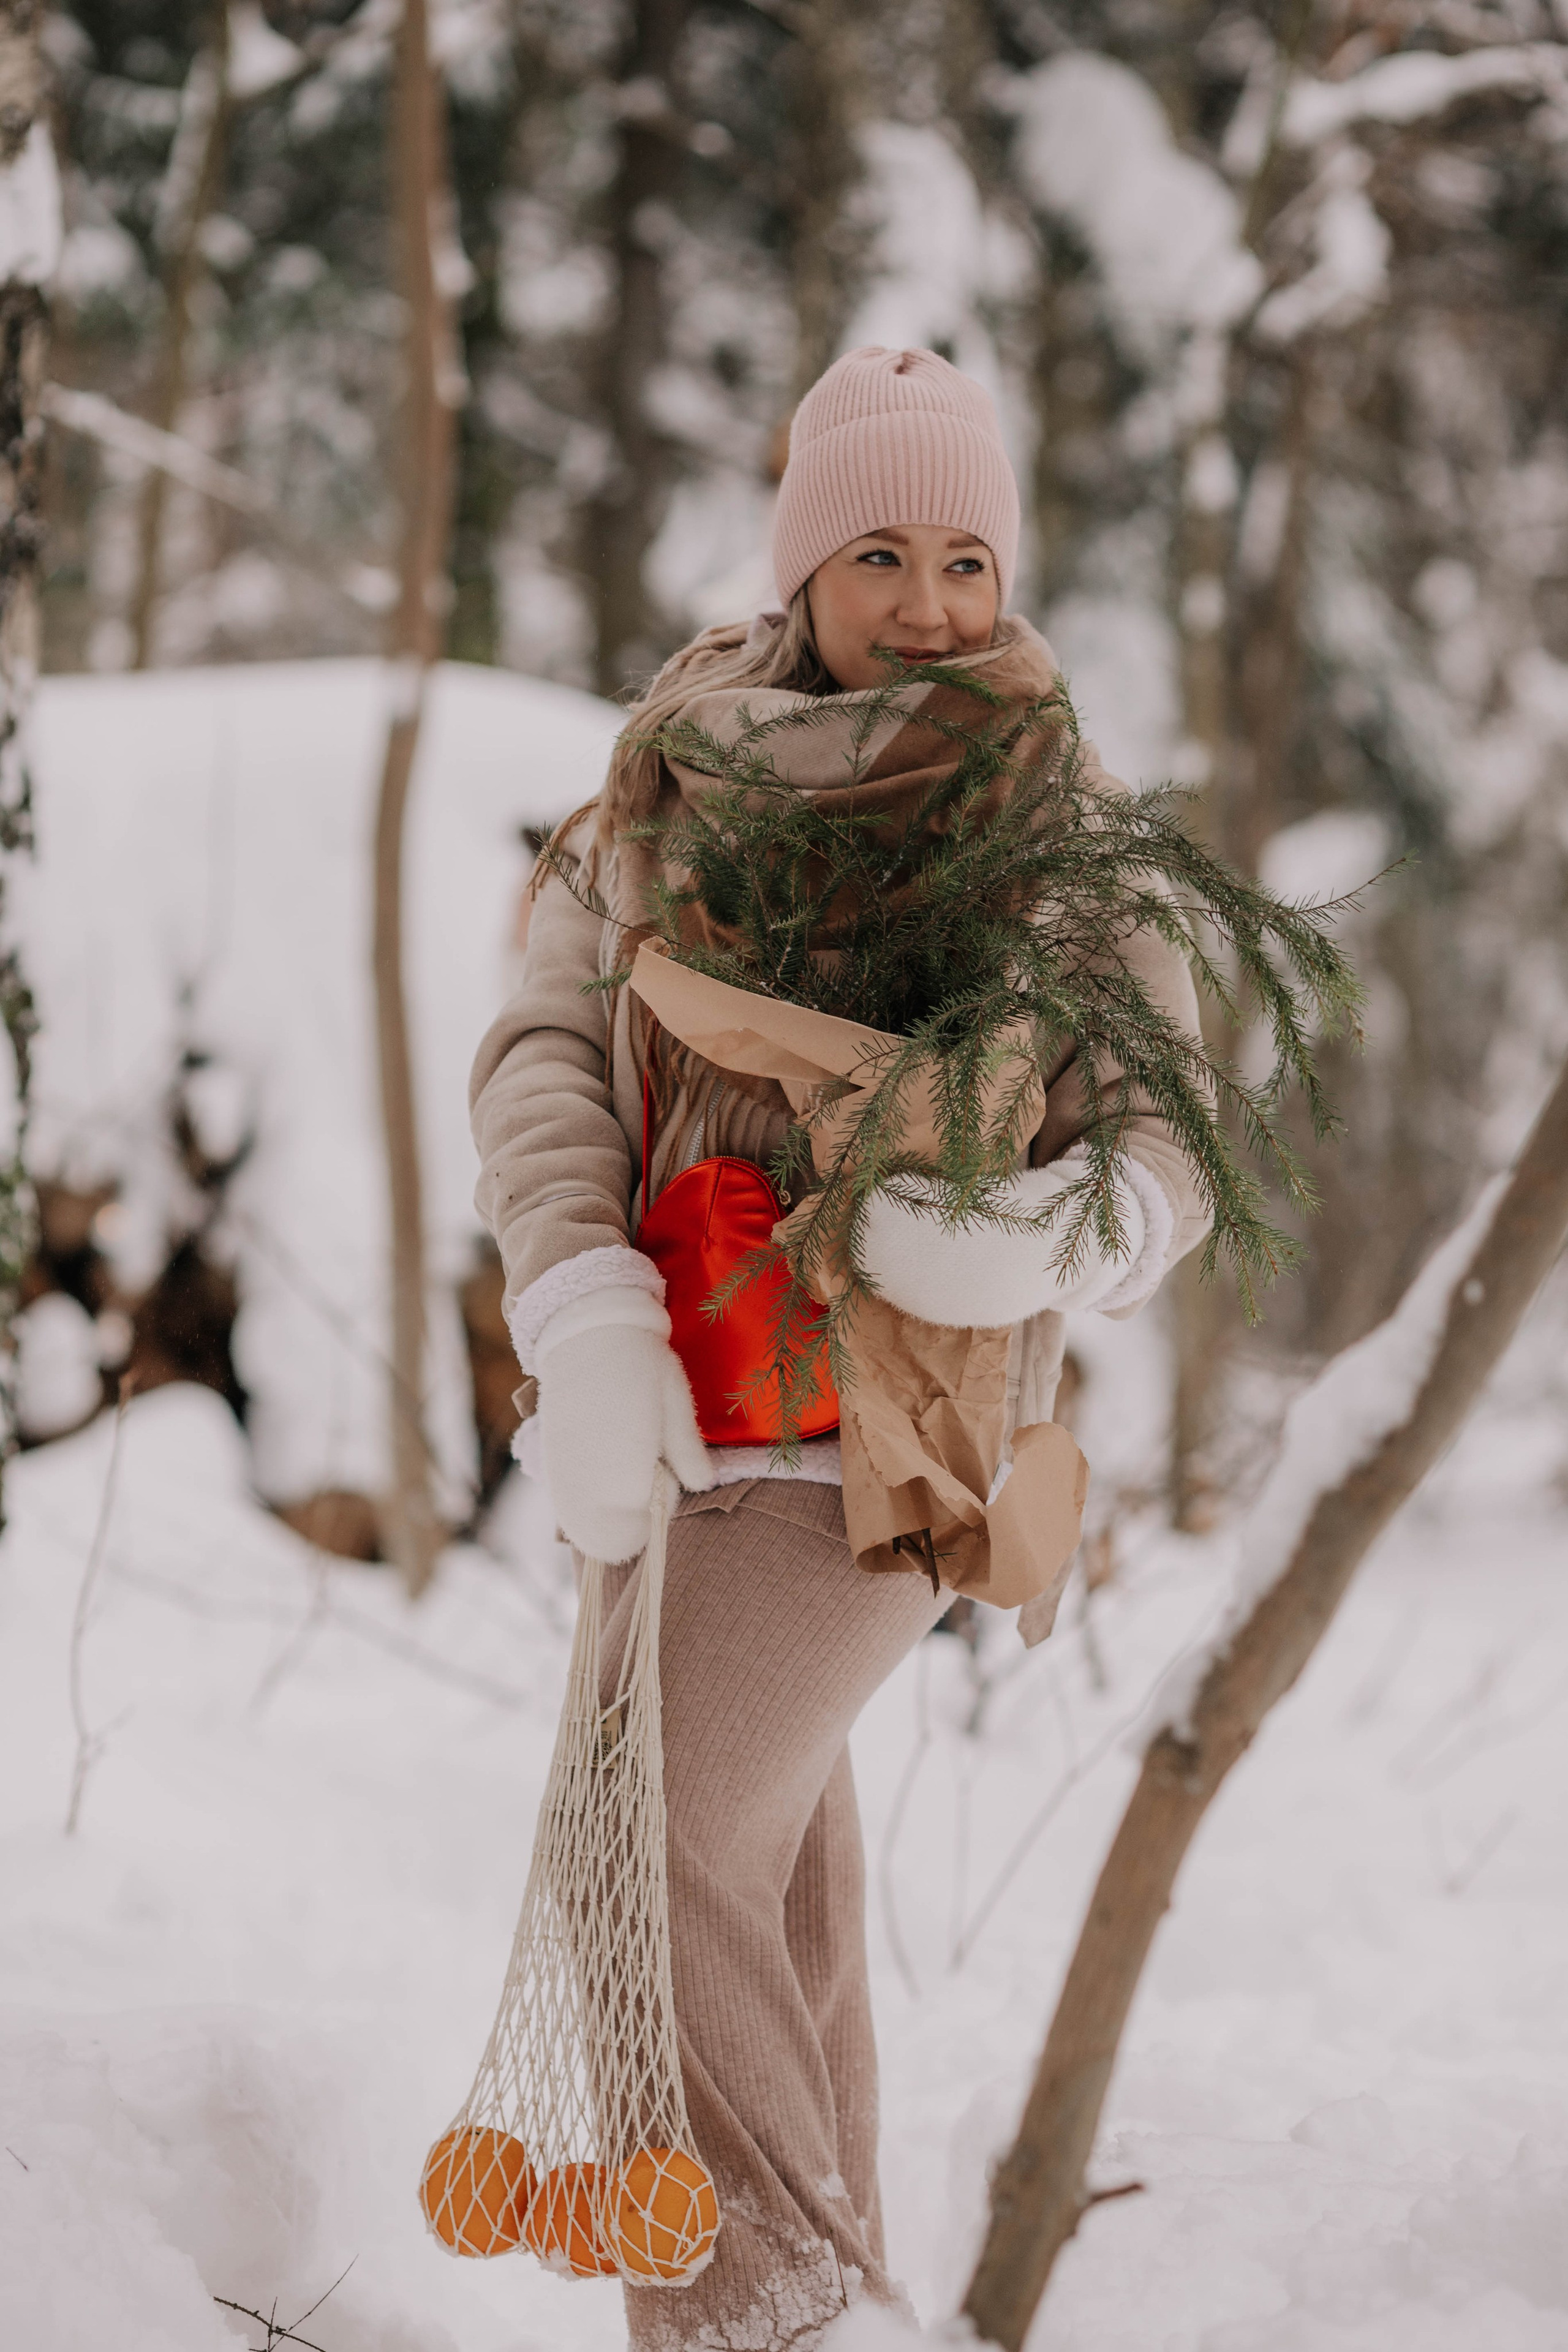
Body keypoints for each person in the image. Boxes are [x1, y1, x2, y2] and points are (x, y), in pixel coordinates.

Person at [470, 345, 1210, 2350]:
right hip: (670, 1395)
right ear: (801, 566)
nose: (929, 603)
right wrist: (582, 1301)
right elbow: (547, 1050)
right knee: (767, 1880)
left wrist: (1073, 1227)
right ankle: (836, 2297)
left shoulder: (1053, 820)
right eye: (878, 551)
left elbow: (1166, 1129)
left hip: (884, 1436)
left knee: (651, 1844)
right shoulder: (662, 776)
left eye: (967, 556)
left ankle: (772, 2327)